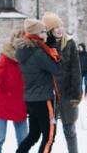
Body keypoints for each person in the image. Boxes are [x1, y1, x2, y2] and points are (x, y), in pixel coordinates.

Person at [15, 18, 61, 153]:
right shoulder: (39, 52)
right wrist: (53, 48)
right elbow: (56, 69)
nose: (46, 34)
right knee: (49, 137)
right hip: (43, 99)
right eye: (43, 32)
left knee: (34, 135)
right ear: (37, 34)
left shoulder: (25, 50)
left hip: (31, 99)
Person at [43, 12, 82, 153]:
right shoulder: (43, 47)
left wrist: (76, 95)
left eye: (61, 26)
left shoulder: (70, 43)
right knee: (49, 134)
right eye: (55, 27)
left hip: (67, 93)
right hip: (49, 94)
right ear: (49, 31)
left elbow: (76, 71)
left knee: (70, 130)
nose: (60, 29)